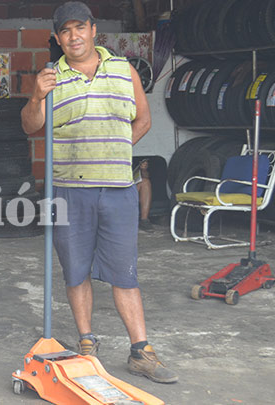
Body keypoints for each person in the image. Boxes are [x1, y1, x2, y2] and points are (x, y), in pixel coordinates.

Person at [21, 1, 177, 384]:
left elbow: (143, 117)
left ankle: (141, 350)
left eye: (80, 28)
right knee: (76, 271)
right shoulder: (50, 77)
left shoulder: (124, 71)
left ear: (93, 31)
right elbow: (29, 127)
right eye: (65, 31)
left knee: (125, 272)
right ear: (58, 39)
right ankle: (87, 343)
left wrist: (120, 149)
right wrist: (36, 97)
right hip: (70, 192)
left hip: (119, 190)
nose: (73, 36)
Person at [134, 159, 153, 230]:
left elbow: (146, 176)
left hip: (129, 187)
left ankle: (144, 220)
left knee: (145, 182)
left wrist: (143, 169)